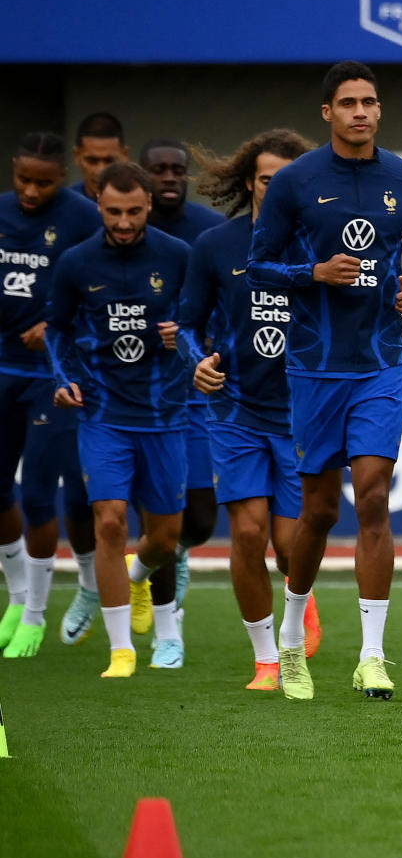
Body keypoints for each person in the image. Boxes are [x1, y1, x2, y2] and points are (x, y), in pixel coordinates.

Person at [249, 61, 402, 701]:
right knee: (320, 509)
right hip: (312, 368)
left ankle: (372, 656)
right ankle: (291, 637)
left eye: (370, 102)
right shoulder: (297, 183)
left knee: (374, 496)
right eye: (349, 103)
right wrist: (314, 274)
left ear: (379, 110)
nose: (361, 111)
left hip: (380, 363)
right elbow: (260, 266)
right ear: (327, 113)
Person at [179, 128, 317, 690]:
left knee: (289, 547)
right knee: (246, 534)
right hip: (235, 412)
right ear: (249, 182)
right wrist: (197, 361)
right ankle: (268, 660)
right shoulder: (215, 247)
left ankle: (300, 604)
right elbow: (188, 322)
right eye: (266, 179)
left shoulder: (319, 246)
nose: (276, 188)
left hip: (302, 415)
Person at [45, 162, 191, 676]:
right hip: (103, 414)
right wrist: (63, 380)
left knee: (167, 537)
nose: (124, 222)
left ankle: (139, 575)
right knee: (109, 521)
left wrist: (186, 338)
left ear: (149, 204)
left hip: (167, 415)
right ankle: (122, 649)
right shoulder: (76, 263)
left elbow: (204, 323)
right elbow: (56, 330)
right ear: (98, 205)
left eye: (133, 212)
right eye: (113, 212)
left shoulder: (178, 257)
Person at [0, 133, 101, 659]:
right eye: (23, 180)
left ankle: (36, 614)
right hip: (1, 367)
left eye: (43, 181)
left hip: (55, 376)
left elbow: (106, 286)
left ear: (63, 176)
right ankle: (17, 598)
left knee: (41, 494)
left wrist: (56, 321)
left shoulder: (83, 218)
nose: (31, 191)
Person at [128, 138, 221, 625]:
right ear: (142, 177)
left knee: (201, 522)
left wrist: (193, 335)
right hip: (133, 396)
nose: (168, 176)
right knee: (151, 514)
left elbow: (226, 308)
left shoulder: (208, 233)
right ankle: (166, 629)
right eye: (157, 169)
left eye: (175, 169)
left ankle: (155, 562)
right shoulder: (116, 235)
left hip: (193, 391)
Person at [71, 113, 128, 204]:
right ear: (77, 156)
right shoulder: (60, 206)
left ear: (125, 156)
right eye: (92, 161)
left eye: (109, 161)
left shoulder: (143, 203)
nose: (101, 170)